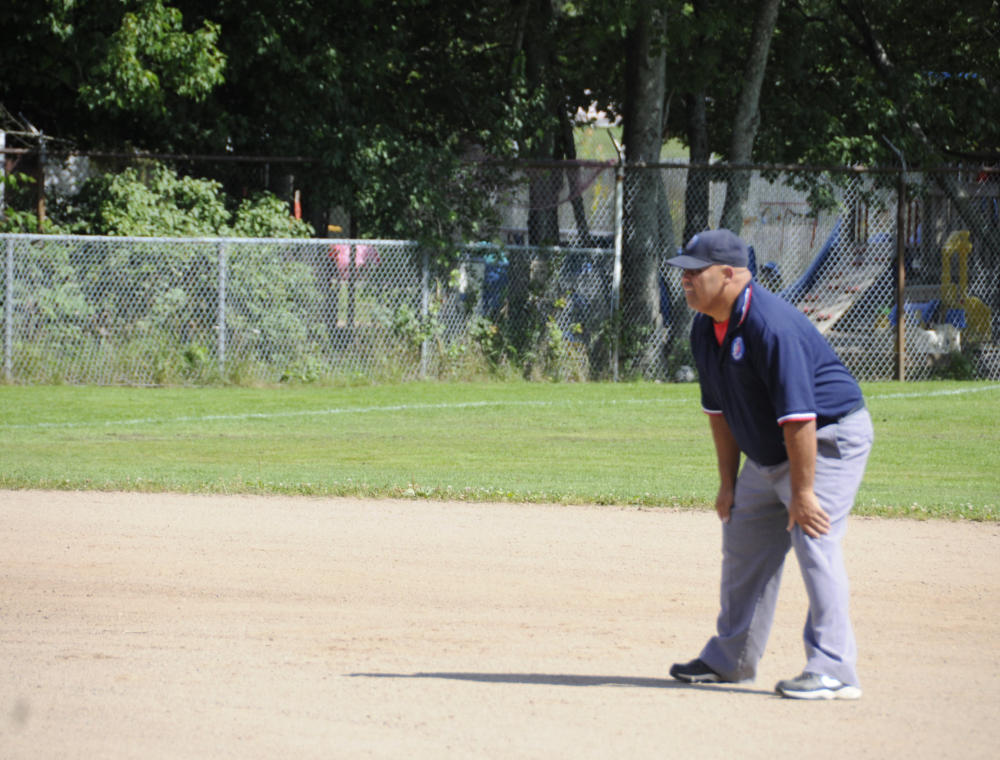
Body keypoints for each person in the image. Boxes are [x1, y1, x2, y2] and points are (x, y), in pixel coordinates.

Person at [664, 228, 874, 700]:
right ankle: (731, 660)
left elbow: (800, 419)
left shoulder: (770, 325)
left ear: (732, 274)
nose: (687, 281)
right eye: (685, 273)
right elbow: (719, 413)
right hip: (772, 451)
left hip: (828, 438)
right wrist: (727, 484)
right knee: (743, 537)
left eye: (697, 272)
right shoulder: (705, 328)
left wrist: (802, 494)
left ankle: (835, 668)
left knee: (813, 535)